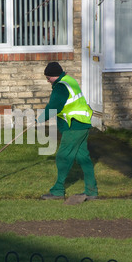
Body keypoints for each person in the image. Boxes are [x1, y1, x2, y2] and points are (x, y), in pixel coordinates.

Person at [37, 62, 98, 201]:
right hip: (83, 124)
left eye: (48, 78)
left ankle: (58, 191)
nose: (47, 80)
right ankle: (91, 191)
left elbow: (54, 106)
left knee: (63, 157)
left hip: (73, 126)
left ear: (54, 76)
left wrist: (40, 119)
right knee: (83, 158)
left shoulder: (60, 87)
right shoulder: (70, 81)